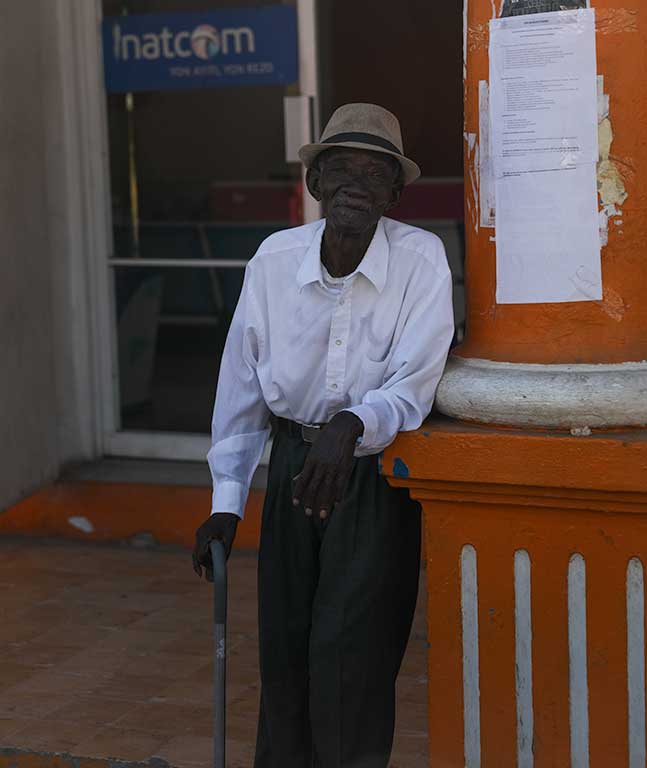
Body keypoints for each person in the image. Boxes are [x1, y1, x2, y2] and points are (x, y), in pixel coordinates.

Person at [193, 103, 454, 768]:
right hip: (290, 468)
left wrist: (351, 424)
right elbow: (242, 388)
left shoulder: (420, 260)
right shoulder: (273, 260)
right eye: (339, 168)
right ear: (314, 183)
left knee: (353, 659)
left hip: (371, 479)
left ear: (396, 193)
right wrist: (226, 505)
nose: (354, 184)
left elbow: (413, 382)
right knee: (284, 648)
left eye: (374, 172)